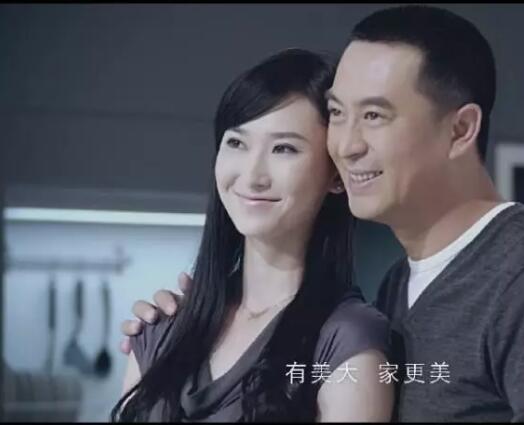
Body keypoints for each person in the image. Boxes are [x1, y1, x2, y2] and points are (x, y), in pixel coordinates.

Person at [121, 5, 524, 422]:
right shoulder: (398, 286)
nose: (346, 144)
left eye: (374, 115)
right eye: (338, 114)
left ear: (460, 130)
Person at [111, 48, 394, 422]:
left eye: (283, 148)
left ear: (336, 176)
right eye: (236, 143)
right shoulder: (162, 329)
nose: (252, 175)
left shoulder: (347, 339)